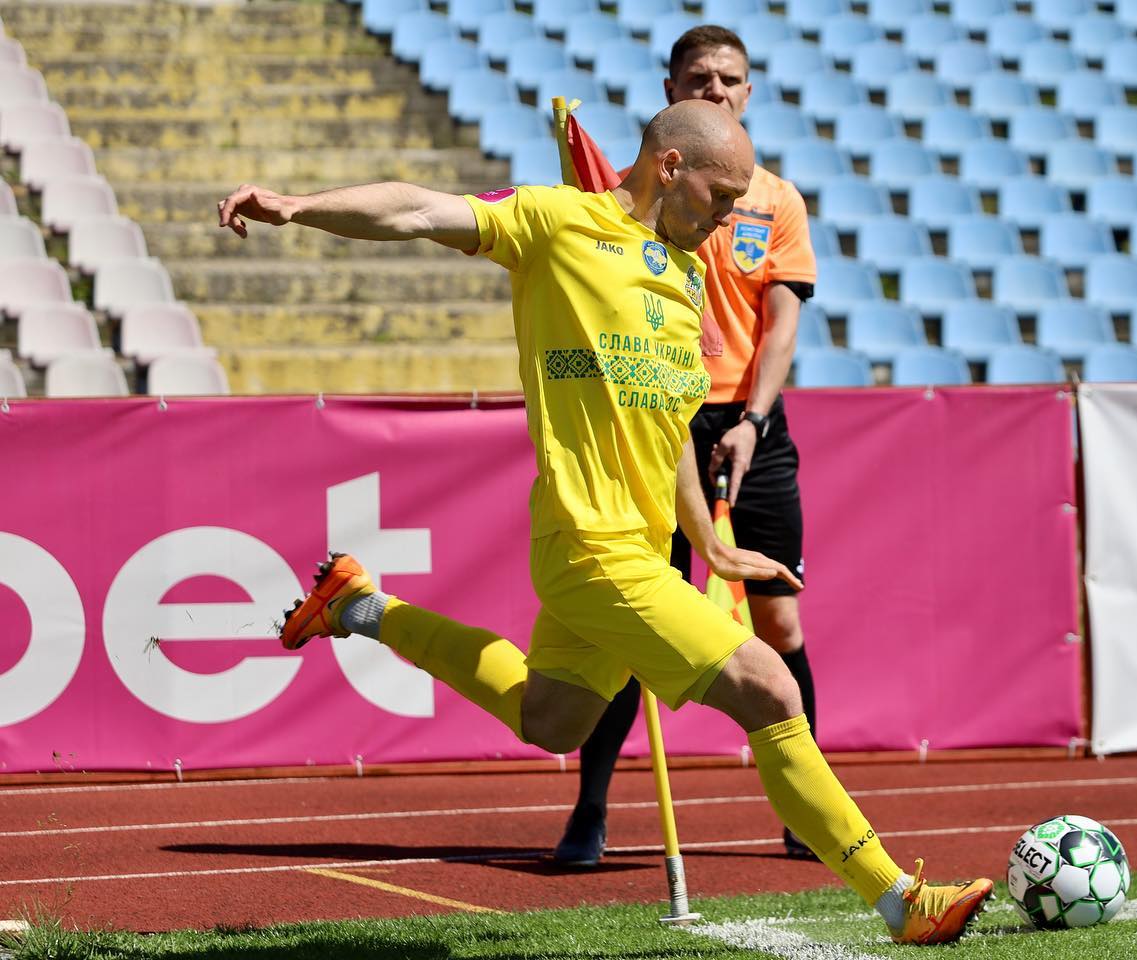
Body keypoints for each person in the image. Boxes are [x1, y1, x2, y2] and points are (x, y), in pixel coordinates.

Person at [217, 99, 993, 945]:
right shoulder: (557, 223)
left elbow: (667, 441)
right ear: (670, 168)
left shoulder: (689, 276)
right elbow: (416, 207)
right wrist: (297, 207)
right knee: (770, 685)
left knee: (549, 721)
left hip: (639, 549)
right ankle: (898, 900)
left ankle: (359, 606)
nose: (732, 215)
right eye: (722, 194)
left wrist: (710, 547)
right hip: (589, 545)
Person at [553, 24, 821, 868]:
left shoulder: (772, 200)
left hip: (746, 421)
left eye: (730, 78)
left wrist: (754, 421)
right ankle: (589, 810)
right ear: (670, 85)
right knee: (637, 627)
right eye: (698, 76)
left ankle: (802, 810)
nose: (715, 88)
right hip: (650, 420)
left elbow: (782, 327)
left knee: (778, 619)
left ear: (751, 90)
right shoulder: (645, 197)